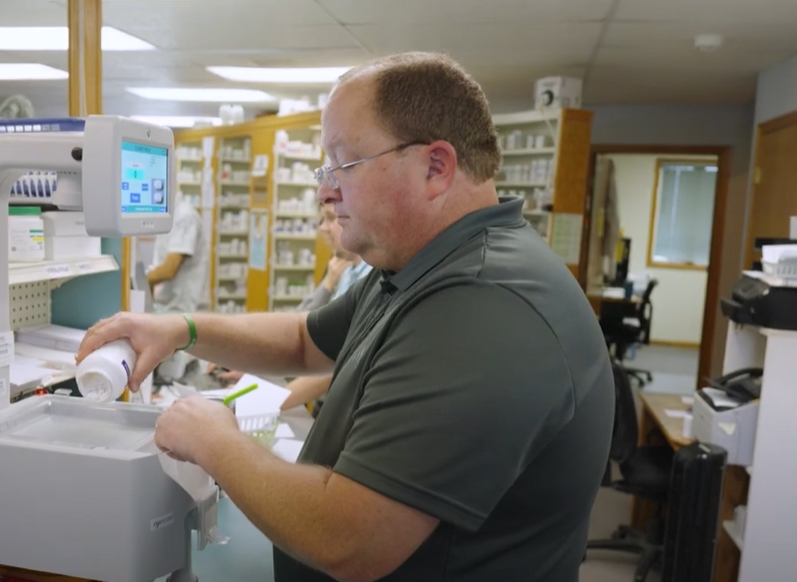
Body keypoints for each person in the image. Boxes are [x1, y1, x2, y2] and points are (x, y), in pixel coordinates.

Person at [78, 52, 614, 582]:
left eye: (343, 165)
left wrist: (213, 439)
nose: (324, 191)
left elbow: (349, 539)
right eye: (324, 167)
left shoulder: (483, 303)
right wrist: (181, 330)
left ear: (435, 167)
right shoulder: (421, 264)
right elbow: (303, 340)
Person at [212, 203, 372, 412]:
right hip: (330, 404)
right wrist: (257, 369)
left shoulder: (371, 278)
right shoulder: (345, 270)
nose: (323, 228)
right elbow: (310, 337)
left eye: (331, 218)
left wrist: (266, 401)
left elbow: (341, 363)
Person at [146, 194, 209, 314]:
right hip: (170, 307)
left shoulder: (185, 216)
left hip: (185, 310)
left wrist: (139, 281)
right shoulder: (165, 218)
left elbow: (170, 269)